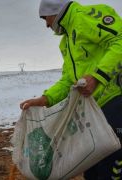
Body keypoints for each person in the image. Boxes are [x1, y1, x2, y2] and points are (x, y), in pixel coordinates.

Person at [20, 0, 122, 179]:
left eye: (46, 18)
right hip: (92, 111)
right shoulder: (66, 43)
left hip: (115, 101)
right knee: (92, 169)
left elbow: (119, 41)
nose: (46, 25)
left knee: (111, 168)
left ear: (56, 10)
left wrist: (98, 77)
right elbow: (69, 79)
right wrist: (46, 99)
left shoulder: (87, 16)